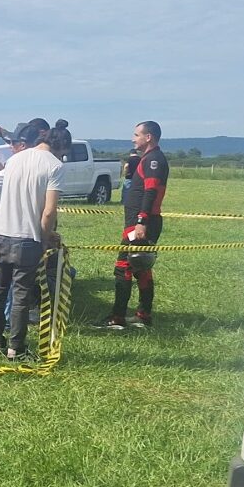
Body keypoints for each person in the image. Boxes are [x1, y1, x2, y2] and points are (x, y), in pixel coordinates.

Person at [0, 122, 70, 361]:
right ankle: (15, 348)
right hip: (28, 238)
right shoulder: (55, 166)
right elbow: (48, 212)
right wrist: (47, 238)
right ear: (61, 148)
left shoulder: (15, 159)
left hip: (1, 234)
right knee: (20, 296)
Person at [95, 120, 169, 330]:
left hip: (141, 224)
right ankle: (143, 315)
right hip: (139, 223)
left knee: (123, 268)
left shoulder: (153, 160)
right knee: (142, 269)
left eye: (137, 135)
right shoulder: (148, 158)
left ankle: (117, 317)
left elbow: (151, 191)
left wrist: (141, 222)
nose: (133, 138)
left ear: (149, 137)